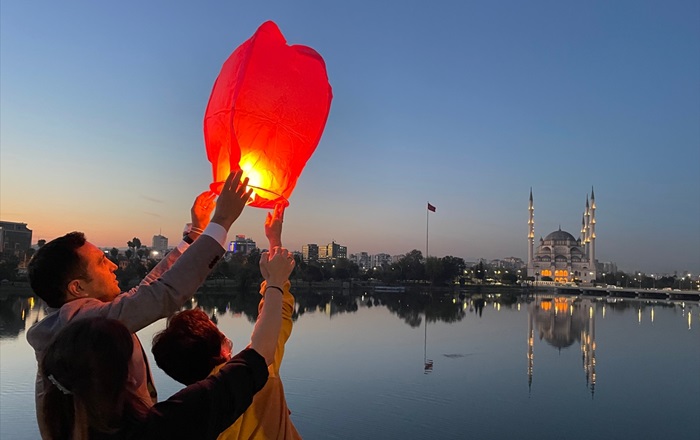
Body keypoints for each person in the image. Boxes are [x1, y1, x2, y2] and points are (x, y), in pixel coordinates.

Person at [27, 170, 252, 438]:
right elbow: (163, 293)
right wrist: (222, 221)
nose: (112, 265)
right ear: (77, 287)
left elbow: (147, 290)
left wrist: (194, 235)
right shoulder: (86, 329)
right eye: (101, 262)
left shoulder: (74, 322)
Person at [38, 246, 296, 439]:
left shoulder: (62, 418)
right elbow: (264, 349)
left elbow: (147, 288)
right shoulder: (165, 426)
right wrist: (275, 279)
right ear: (126, 378)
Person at [152, 204, 301, 439]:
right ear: (223, 349)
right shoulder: (261, 380)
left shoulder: (195, 417)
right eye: (220, 333)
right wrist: (275, 246)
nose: (228, 339)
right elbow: (276, 319)